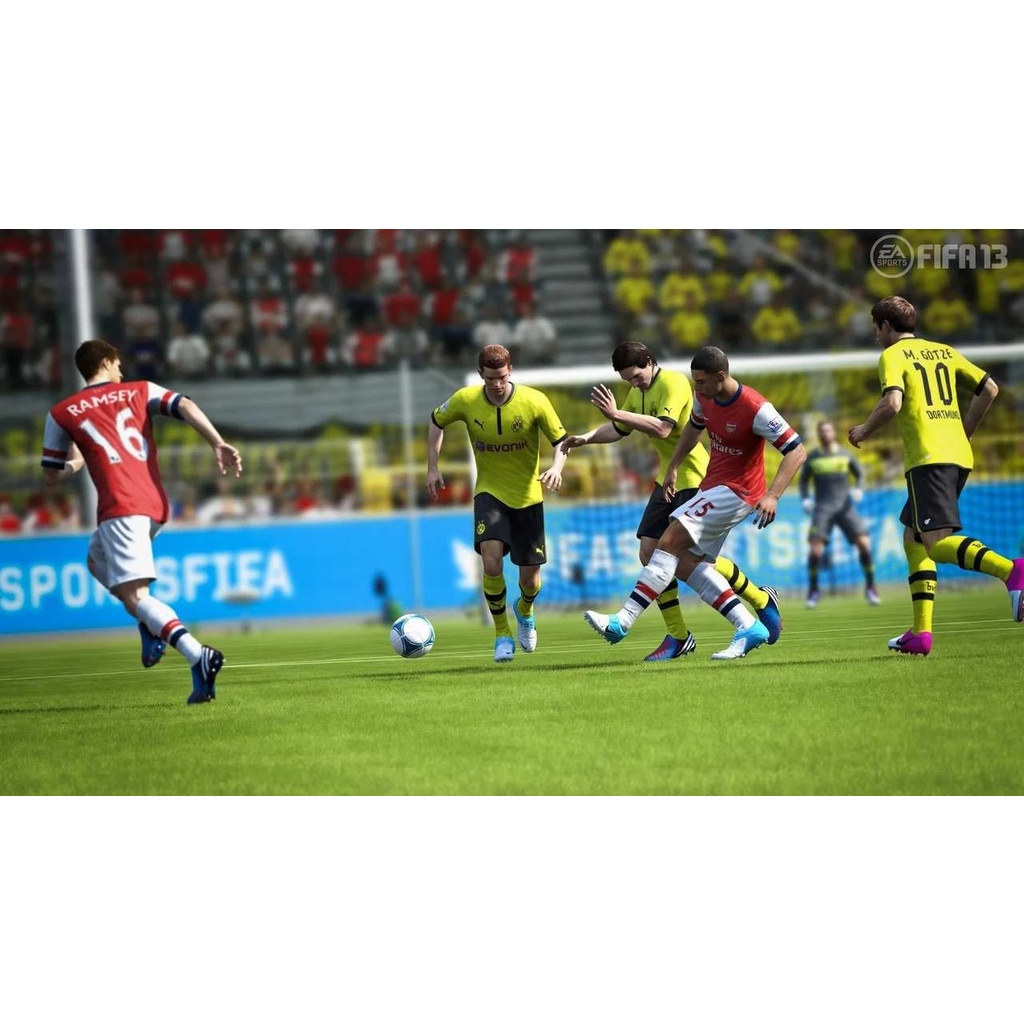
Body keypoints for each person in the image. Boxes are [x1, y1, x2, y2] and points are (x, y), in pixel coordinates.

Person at [40, 339, 242, 703]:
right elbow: (185, 405)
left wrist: (79, 460)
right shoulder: (141, 390)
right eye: (118, 363)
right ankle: (149, 621)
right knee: (96, 560)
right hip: (153, 503)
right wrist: (217, 442)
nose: (121, 370)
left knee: (135, 596)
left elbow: (51, 476)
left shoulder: (61, 413)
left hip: (120, 505)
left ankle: (198, 654)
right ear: (105, 361)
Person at [561, 341, 785, 661]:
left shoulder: (676, 383)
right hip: (667, 477)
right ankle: (684, 633)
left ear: (650, 362)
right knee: (650, 552)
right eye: (628, 380)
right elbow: (620, 428)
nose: (634, 384)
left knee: (682, 556)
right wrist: (587, 438)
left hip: (695, 477)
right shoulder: (637, 393)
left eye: (636, 376)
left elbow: (663, 429)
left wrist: (617, 413)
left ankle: (753, 604)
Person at [848, 295, 1024, 655]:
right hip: (957, 453)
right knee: (913, 537)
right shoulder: (944, 351)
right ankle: (921, 634)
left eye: (876, 327)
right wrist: (965, 430)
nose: (875, 335)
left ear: (886, 326)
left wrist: (864, 429)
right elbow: (989, 388)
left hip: (928, 458)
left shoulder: (892, 356)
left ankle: (1012, 570)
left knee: (936, 544)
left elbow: (892, 403)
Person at [427, 344, 568, 663]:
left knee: (529, 580)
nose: (497, 384)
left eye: (502, 377)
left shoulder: (534, 401)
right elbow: (436, 421)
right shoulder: (465, 400)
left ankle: (525, 611)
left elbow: (561, 441)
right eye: (490, 378)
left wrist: (557, 468)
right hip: (489, 493)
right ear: (481, 374)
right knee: (491, 561)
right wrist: (432, 466)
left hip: (528, 497)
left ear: (510, 371)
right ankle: (502, 634)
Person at [800, 419, 880, 608]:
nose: (825, 434)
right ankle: (813, 590)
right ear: (819, 434)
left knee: (864, 543)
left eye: (828, 430)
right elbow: (803, 481)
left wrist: (858, 488)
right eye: (822, 431)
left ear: (834, 433)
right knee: (815, 549)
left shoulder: (846, 454)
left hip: (845, 507)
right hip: (823, 507)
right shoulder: (813, 457)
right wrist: (805, 499)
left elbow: (860, 473)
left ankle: (871, 587)